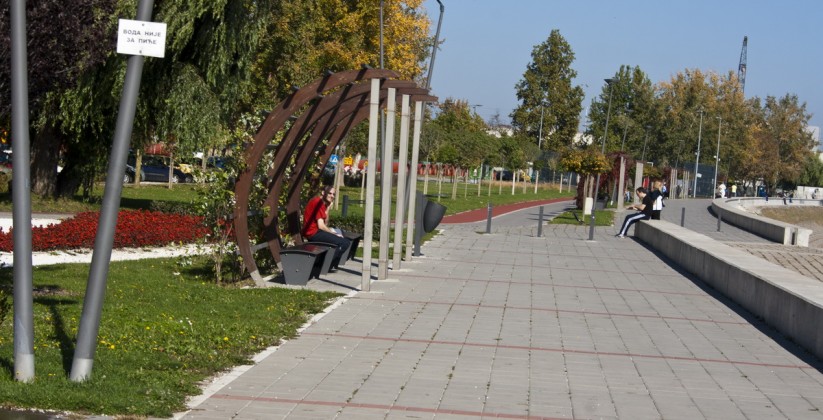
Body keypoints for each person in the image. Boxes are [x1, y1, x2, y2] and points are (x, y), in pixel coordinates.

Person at [302, 185, 351, 267]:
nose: (332, 196)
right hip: (313, 233)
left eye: (334, 194)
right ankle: (324, 266)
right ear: (323, 193)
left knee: (343, 237)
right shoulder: (318, 203)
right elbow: (321, 226)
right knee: (344, 243)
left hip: (315, 232)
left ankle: (325, 264)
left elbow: (325, 224)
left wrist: (328, 208)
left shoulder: (321, 203)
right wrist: (334, 234)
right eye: (330, 193)